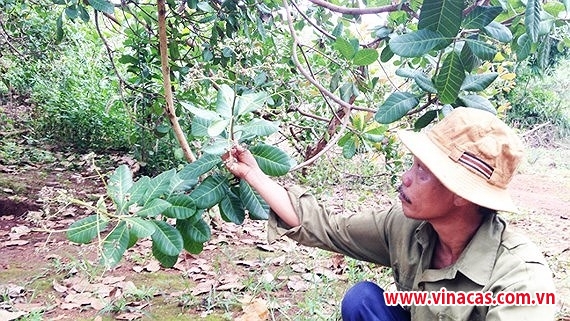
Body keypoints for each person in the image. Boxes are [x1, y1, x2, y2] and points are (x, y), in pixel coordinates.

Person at [223, 107, 558, 321]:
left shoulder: (521, 275)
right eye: (412, 165)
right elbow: (325, 227)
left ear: (460, 195)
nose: (406, 179)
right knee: (363, 300)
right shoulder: (407, 228)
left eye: (424, 172)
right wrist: (255, 175)